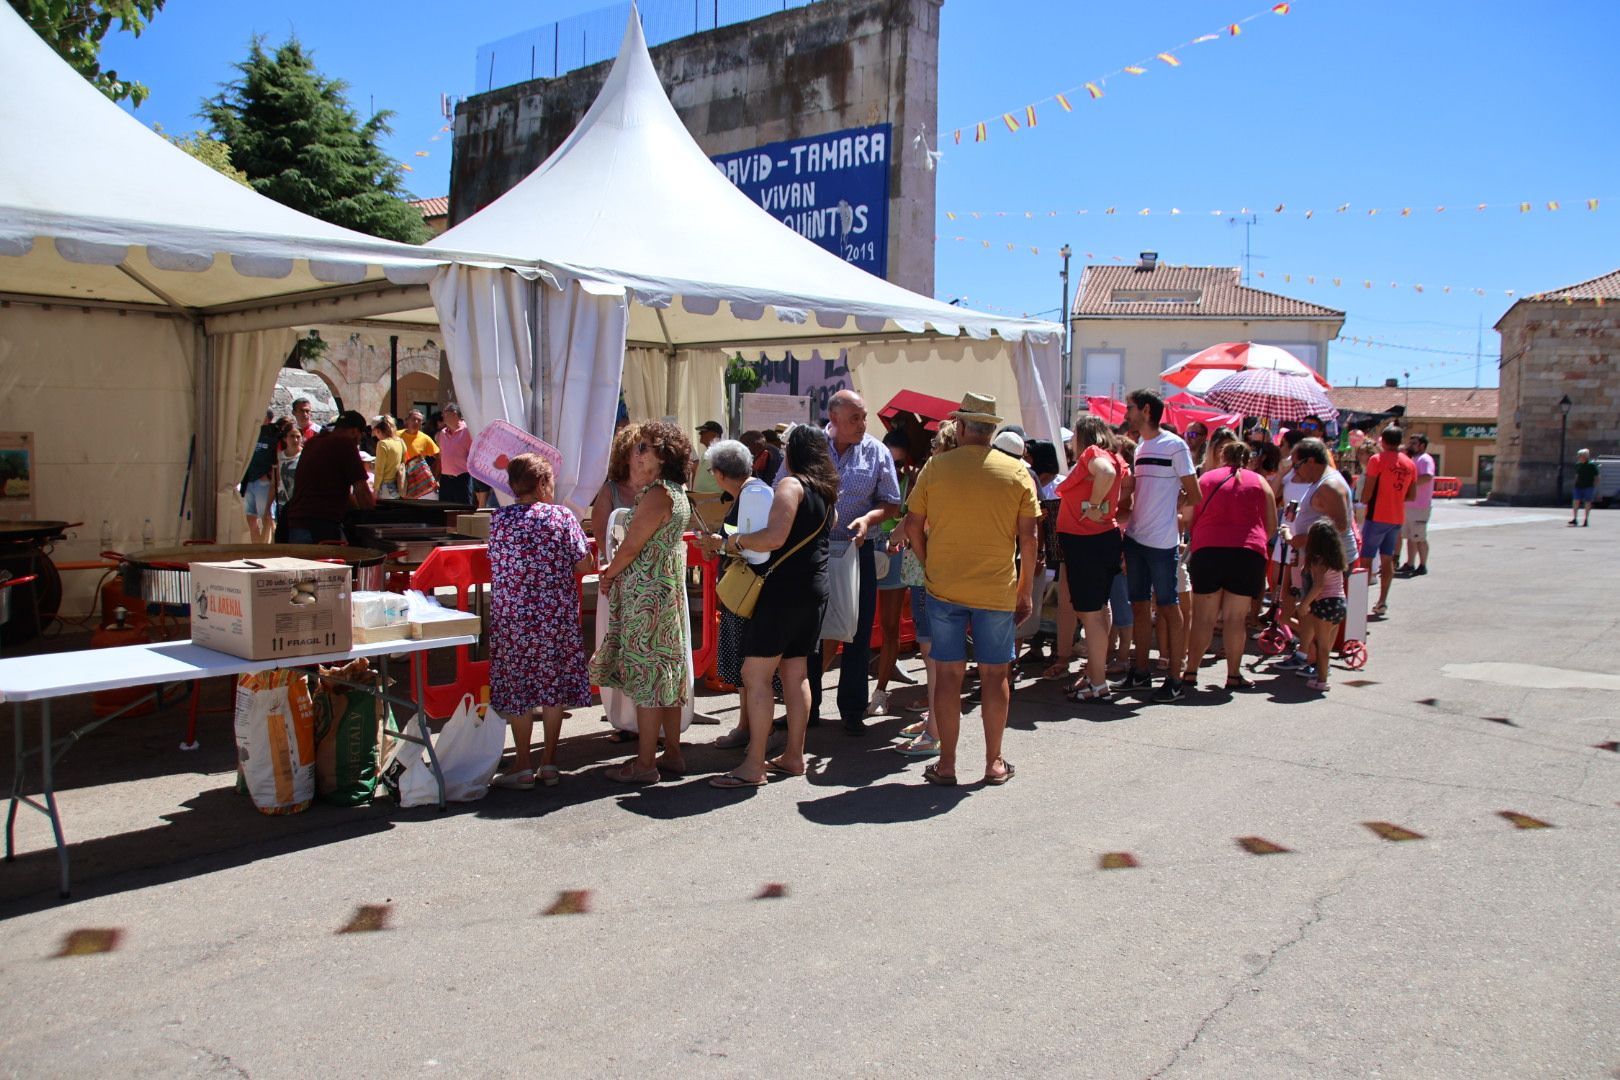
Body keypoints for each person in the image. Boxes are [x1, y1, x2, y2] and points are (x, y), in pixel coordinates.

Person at [903, 392, 1038, 787]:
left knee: (947, 675)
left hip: (944, 587)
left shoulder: (936, 467)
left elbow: (912, 525)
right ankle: (993, 762)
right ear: (991, 430)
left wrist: (930, 564)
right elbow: (1029, 540)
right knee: (996, 675)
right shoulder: (1016, 472)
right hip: (997, 588)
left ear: (961, 427)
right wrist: (1026, 590)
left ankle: (946, 764)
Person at [709, 425, 836, 787]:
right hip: (815, 589)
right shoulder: (827, 492)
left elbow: (774, 537)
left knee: (756, 675)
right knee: (796, 674)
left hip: (783, 592)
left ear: (793, 451)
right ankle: (795, 756)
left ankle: (754, 765)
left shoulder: (791, 486)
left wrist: (735, 541)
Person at [590, 421, 694, 784]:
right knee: (665, 677)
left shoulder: (657, 494)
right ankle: (673, 754)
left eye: (644, 448)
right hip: (663, 593)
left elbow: (631, 545)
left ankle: (646, 763)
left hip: (648, 596)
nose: (637, 453)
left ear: (662, 456)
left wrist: (609, 572)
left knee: (649, 680)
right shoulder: (674, 491)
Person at [488, 454, 595, 789]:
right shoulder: (561, 517)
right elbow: (584, 566)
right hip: (554, 617)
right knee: (552, 688)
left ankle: (521, 763)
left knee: (518, 688)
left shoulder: (499, 520)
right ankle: (548, 763)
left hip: (513, 618)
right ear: (543, 483)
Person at [811, 389, 902, 735]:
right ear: (833, 419)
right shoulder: (812, 448)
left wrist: (868, 520)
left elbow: (891, 502)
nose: (863, 424)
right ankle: (808, 708)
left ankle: (852, 709)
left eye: (863, 416)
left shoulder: (877, 451)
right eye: (855, 418)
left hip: (858, 548)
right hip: (815, 550)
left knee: (859, 629)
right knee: (812, 632)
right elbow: (782, 487)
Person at [1114, 389, 1201, 702]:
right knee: (1138, 605)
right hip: (1136, 538)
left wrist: (1174, 513)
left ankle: (1175, 678)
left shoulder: (1175, 445)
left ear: (1146, 410)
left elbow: (1195, 492)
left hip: (1162, 543)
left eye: (1131, 408)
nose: (1126, 413)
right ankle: (1140, 672)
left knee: (1168, 607)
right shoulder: (1141, 445)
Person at [692, 439, 775, 752]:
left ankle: (751, 731)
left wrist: (721, 544)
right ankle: (747, 727)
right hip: (751, 590)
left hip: (749, 591)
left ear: (720, 473)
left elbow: (752, 547)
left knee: (749, 668)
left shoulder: (752, 495)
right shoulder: (755, 492)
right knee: (748, 668)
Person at [1182, 441, 1278, 691]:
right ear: (1248, 459)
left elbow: (1188, 516)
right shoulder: (1260, 482)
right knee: (1236, 620)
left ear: (1222, 456)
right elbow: (1271, 526)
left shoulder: (1206, 480)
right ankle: (1233, 675)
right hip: (1247, 553)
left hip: (1209, 550)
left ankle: (1190, 672)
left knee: (1203, 619)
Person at [894, 420, 959, 759]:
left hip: (927, 575)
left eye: (935, 444)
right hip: (938, 574)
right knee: (936, 656)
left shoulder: (936, 473)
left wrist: (908, 538)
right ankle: (934, 719)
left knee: (933, 657)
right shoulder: (958, 477)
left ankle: (935, 730)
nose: (931, 449)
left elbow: (920, 521)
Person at [1054, 415, 1127, 702]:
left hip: (1088, 543)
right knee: (1095, 612)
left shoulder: (1093, 453)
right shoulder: (1110, 454)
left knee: (1091, 615)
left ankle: (1098, 682)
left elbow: (1106, 473)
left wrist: (1094, 505)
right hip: (1098, 541)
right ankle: (1096, 676)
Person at [1278, 437, 1359, 677]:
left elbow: (1339, 526)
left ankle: (1317, 663)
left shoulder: (1329, 485)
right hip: (1319, 559)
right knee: (1316, 614)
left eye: (1297, 465)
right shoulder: (1325, 481)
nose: (1295, 471)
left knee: (1317, 614)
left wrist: (1296, 539)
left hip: (1325, 562)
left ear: (1311, 461)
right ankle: (1313, 659)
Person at [869, 427, 919, 717]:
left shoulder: (912, 480)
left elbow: (910, 517)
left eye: (899, 462)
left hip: (894, 550)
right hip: (868, 546)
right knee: (851, 624)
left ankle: (880, 691)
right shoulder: (870, 472)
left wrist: (912, 485)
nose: (894, 467)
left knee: (890, 626)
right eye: (889, 460)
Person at [282, 410, 375, 543]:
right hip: (321, 524)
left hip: (296, 522)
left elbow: (335, 489)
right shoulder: (345, 444)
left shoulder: (313, 442)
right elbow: (361, 490)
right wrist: (372, 513)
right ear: (355, 432)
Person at [1359, 425, 1416, 617]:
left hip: (1377, 516)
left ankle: (1360, 602)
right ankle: (1382, 601)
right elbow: (1411, 494)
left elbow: (1368, 491)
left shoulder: (1377, 460)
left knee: (1365, 560)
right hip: (1396, 516)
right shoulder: (1409, 463)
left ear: (1382, 440)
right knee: (1387, 559)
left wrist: (1364, 500)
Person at [1296, 519, 1348, 693]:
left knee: (1322, 646)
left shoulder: (1318, 561)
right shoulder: (1336, 559)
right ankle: (1324, 672)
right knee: (1329, 644)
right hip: (1340, 603)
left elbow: (1318, 586)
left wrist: (1304, 604)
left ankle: (1322, 680)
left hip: (1325, 604)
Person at [1397, 432, 1436, 575]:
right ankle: (1410, 563)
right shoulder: (1412, 459)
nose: (1410, 445)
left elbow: (1427, 476)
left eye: (1414, 443)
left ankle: (1422, 564)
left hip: (1420, 506)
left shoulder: (1425, 459)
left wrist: (1410, 484)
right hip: (1409, 505)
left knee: (1419, 537)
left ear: (1422, 446)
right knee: (1410, 537)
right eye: (1410, 442)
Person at [239, 415, 279, 544]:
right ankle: (255, 546)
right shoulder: (250, 434)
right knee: (250, 516)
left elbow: (276, 456)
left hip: (263, 481)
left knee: (266, 516)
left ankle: (266, 546)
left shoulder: (272, 434)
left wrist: (268, 475)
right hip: (249, 480)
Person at [436, 403, 475, 506]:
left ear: (454, 414)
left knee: (463, 508)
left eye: (445, 414)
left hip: (463, 477)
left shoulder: (468, 430)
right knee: (444, 509)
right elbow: (442, 456)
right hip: (445, 479)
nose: (443, 417)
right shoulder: (443, 433)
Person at [399, 409, 440, 497]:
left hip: (417, 481)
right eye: (413, 419)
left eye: (419, 420)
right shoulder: (397, 436)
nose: (416, 422)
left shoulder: (425, 439)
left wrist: (434, 477)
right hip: (399, 477)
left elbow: (439, 458)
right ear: (407, 421)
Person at [370, 415, 406, 499]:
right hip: (398, 485)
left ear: (377, 430)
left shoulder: (382, 444)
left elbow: (379, 469)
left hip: (385, 487)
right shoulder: (400, 442)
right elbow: (403, 462)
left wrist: (375, 490)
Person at [691, 420, 724, 494]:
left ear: (714, 434)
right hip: (702, 500)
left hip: (715, 500)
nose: (700, 434)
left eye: (703, 432)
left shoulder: (722, 454)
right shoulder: (706, 454)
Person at [1571, 449, 1599, 527]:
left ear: (1585, 456)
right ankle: (1575, 519)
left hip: (1588, 487)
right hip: (1578, 487)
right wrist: (1574, 484)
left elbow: (1597, 477)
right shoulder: (1578, 465)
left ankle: (1586, 519)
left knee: (1587, 502)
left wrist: (1594, 486)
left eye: (1580, 455)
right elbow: (1577, 475)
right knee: (1575, 501)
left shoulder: (1592, 465)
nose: (1578, 457)